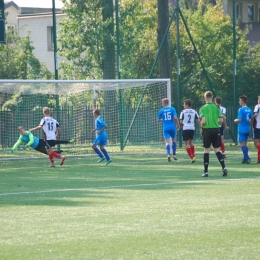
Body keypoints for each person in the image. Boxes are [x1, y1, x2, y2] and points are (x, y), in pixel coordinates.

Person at [199, 91, 228, 177]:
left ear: (205, 98)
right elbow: (221, 120)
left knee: (206, 150)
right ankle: (224, 168)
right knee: (217, 150)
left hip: (207, 131)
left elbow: (203, 121)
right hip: (216, 130)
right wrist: (216, 125)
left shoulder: (203, 108)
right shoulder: (217, 108)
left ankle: (206, 172)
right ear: (212, 97)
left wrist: (201, 127)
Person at [179, 99, 200, 163]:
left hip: (185, 128)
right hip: (192, 128)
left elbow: (181, 121)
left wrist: (180, 125)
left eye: (184, 104)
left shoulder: (183, 112)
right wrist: (201, 127)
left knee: (186, 143)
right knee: (191, 142)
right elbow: (198, 120)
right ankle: (193, 156)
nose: (183, 105)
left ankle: (191, 157)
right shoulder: (194, 111)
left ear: (187, 105)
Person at [234, 95, 253, 164]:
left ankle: (247, 157)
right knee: (245, 144)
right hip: (247, 129)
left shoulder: (241, 109)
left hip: (241, 129)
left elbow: (240, 119)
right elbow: (251, 120)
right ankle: (245, 159)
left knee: (242, 145)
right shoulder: (250, 110)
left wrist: (235, 120)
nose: (239, 102)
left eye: (239, 100)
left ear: (242, 101)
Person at [252, 95, 260, 163]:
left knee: (256, 143)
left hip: (257, 126)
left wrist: (251, 118)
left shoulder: (257, 106)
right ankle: (259, 159)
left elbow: (255, 115)